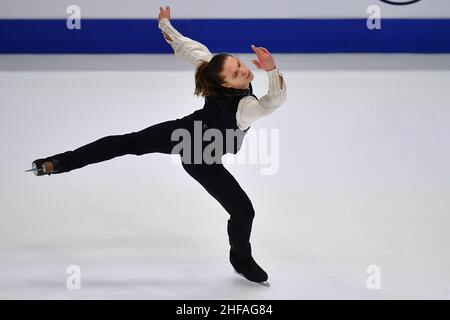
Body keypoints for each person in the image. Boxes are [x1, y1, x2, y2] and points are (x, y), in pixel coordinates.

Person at [26, 6, 287, 284]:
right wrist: (271, 71)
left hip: (199, 151)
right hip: (194, 146)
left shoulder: (213, 68)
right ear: (221, 81)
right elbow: (272, 102)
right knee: (130, 142)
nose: (244, 72)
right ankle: (60, 162)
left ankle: (240, 259)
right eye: (236, 72)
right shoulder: (245, 106)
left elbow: (189, 48)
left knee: (243, 211)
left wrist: (165, 24)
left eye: (240, 66)